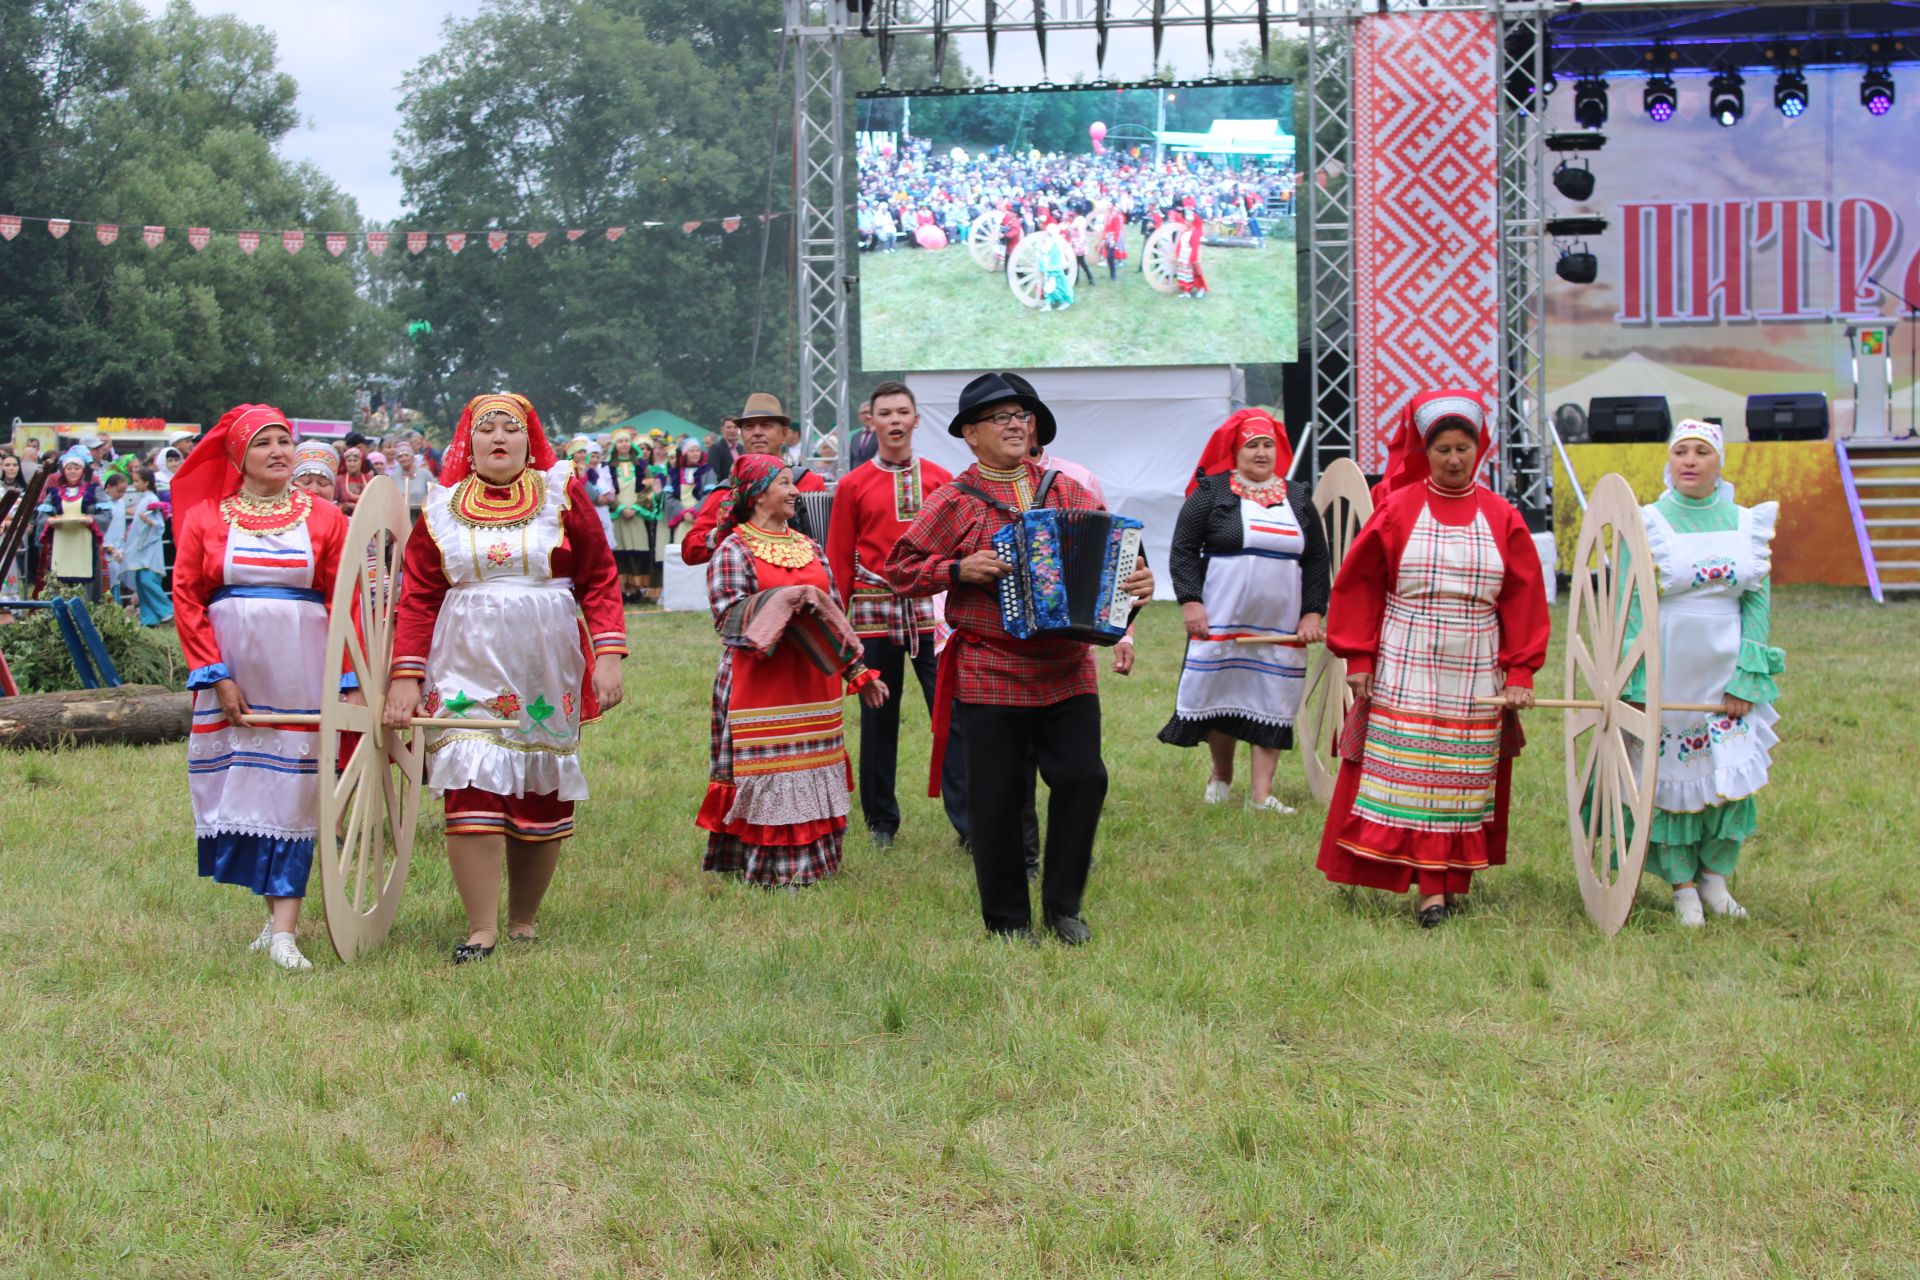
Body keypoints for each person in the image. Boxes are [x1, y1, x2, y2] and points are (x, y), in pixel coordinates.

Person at [885, 373, 1154, 945]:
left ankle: (1062, 907)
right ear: (971, 434)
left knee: (1084, 779)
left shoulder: (1067, 490)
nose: (1014, 424)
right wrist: (956, 570)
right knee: (999, 799)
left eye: (1022, 415)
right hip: (991, 667)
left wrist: (1136, 587)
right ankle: (1007, 920)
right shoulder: (956, 500)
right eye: (999, 416)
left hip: (1067, 668)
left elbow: (1121, 563)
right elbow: (900, 568)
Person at [385, 393, 628, 963]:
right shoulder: (441, 508)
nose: (499, 438)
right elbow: (419, 595)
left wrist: (610, 654)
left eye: (510, 430)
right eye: (486, 429)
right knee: (470, 772)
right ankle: (481, 929)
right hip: (465, 655)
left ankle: (523, 919)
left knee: (539, 780)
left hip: (544, 659)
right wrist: (405, 676)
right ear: (467, 444)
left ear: (528, 441)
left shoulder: (560, 495)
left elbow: (598, 574)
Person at [1314, 390, 1549, 927]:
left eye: (1463, 447)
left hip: (1475, 658)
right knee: (1411, 770)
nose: (1452, 458)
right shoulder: (1395, 508)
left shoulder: (1502, 516)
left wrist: (1519, 671)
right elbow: (1361, 586)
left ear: (1478, 449)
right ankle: (1422, 884)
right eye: (1442, 447)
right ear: (1427, 449)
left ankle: (1439, 885)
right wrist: (1359, 661)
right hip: (1407, 650)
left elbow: (1523, 598)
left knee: (1457, 775)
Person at [170, 404, 352, 971]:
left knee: (293, 793)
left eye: (285, 441)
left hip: (300, 674)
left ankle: (285, 933)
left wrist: (347, 680)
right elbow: (187, 598)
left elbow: (346, 605)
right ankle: (273, 917)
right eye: (264, 443)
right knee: (243, 788)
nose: (279, 451)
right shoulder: (205, 517)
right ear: (238, 457)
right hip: (233, 676)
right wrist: (216, 675)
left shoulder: (326, 519)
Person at [1622, 419, 1783, 926]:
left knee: (1726, 771)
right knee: (1671, 776)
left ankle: (1714, 878)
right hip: (1670, 663)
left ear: (1719, 462)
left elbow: (1757, 604)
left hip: (1724, 665)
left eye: (1701, 452)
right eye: (1681, 452)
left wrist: (1746, 678)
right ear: (1669, 462)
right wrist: (1638, 682)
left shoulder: (1746, 523)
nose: (1690, 461)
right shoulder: (1646, 523)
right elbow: (1629, 607)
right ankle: (1682, 887)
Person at [700, 454, 888, 886]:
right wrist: (784, 601)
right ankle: (767, 869)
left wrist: (858, 673)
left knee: (810, 765)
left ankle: (816, 864)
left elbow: (835, 610)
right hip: (762, 679)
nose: (795, 491)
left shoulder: (809, 545)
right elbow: (726, 616)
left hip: (813, 680)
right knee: (770, 771)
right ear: (759, 493)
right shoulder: (734, 547)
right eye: (785, 483)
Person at [1159, 410, 1330, 814]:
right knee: (1225, 692)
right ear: (1236, 451)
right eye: (1252, 444)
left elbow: (1317, 561)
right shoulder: (1212, 492)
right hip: (1223, 616)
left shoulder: (1298, 497)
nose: (1261, 452)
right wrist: (1191, 601)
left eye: (1268, 444)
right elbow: (1183, 549)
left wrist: (1312, 614)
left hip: (1281, 625)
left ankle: (1261, 795)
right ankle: (1221, 774)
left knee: (1274, 697)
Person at [825, 381, 967, 849]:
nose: (894, 421)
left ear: (916, 419)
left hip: (932, 608)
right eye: (885, 413)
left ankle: (968, 819)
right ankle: (881, 820)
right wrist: (835, 622)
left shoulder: (942, 479)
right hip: (871, 606)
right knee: (878, 714)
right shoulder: (851, 485)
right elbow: (840, 556)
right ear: (871, 421)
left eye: (902, 412)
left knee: (948, 714)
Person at [681, 395, 828, 565]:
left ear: (784, 434)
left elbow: (829, 543)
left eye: (766, 425)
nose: (757, 432)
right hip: (749, 584)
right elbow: (690, 552)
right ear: (742, 435)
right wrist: (720, 532)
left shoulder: (808, 481)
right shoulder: (727, 490)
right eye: (749, 427)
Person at [35, 446, 108, 599]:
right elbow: (42, 516)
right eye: (69, 468)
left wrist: (91, 520)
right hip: (62, 544)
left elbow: (106, 514)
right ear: (63, 470)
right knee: (58, 577)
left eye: (76, 468)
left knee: (86, 576)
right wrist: (50, 521)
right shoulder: (54, 493)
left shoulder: (94, 491)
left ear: (83, 470)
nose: (73, 471)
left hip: (85, 543)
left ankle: (87, 611)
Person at [604, 428, 657, 601]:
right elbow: (606, 490)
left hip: (637, 513)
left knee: (638, 549)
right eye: (620, 441)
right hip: (617, 514)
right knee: (620, 550)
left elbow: (648, 489)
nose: (624, 444)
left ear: (631, 443)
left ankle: (637, 590)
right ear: (615, 446)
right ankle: (622, 590)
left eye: (627, 440)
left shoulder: (643, 466)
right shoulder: (607, 467)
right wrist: (620, 508)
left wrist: (635, 508)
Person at [120, 464, 173, 625]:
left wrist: (148, 521)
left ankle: (166, 610)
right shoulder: (145, 499)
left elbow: (159, 526)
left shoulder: (152, 500)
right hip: (141, 549)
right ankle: (149, 618)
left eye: (137, 481)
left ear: (146, 483)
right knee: (141, 581)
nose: (134, 485)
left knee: (147, 580)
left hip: (149, 549)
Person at [1038, 222, 1074, 311]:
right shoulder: (1053, 241)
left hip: (1054, 268)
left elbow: (1048, 253)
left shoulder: (1054, 243)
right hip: (1051, 268)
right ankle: (1048, 304)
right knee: (1050, 286)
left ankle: (1065, 302)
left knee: (1059, 286)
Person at [338, 446, 369, 513]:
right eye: (349, 461)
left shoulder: (369, 478)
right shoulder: (339, 479)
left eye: (355, 460)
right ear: (345, 463)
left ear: (361, 462)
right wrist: (344, 506)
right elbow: (333, 502)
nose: (352, 464)